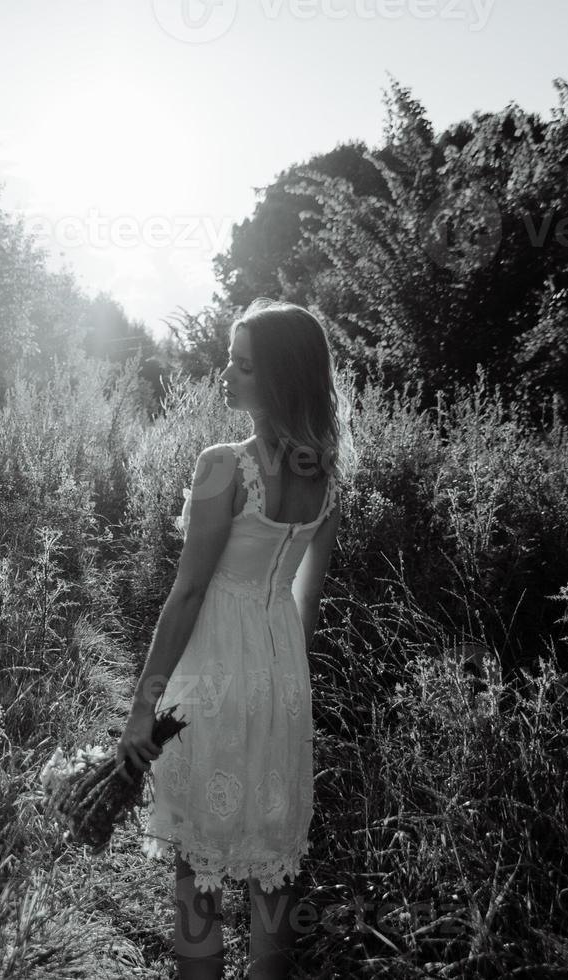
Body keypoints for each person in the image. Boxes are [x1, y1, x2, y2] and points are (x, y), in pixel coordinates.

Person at [116, 299, 354, 980]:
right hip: (282, 685)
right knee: (271, 867)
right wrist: (281, 688)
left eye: (242, 364)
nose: (225, 372)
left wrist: (143, 706)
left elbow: (188, 593)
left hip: (213, 676)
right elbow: (306, 600)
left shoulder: (223, 463)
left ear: (276, 379)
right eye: (228, 356)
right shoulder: (324, 472)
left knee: (199, 872)